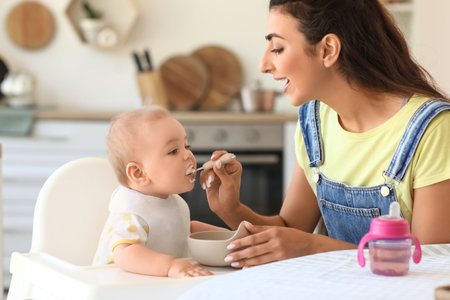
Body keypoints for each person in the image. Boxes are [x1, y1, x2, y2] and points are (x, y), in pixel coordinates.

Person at [200, 0, 450, 269]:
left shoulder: (432, 128)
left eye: (277, 48)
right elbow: (290, 228)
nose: (263, 65)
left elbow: (430, 264)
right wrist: (230, 209)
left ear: (327, 49)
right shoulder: (314, 121)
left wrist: (312, 245)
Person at [92, 106, 222, 277]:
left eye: (186, 145)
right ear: (139, 173)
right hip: (115, 288)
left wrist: (230, 238)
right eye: (173, 151)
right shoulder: (132, 211)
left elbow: (183, 230)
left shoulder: (171, 200)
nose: (187, 155)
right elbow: (125, 253)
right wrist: (170, 266)